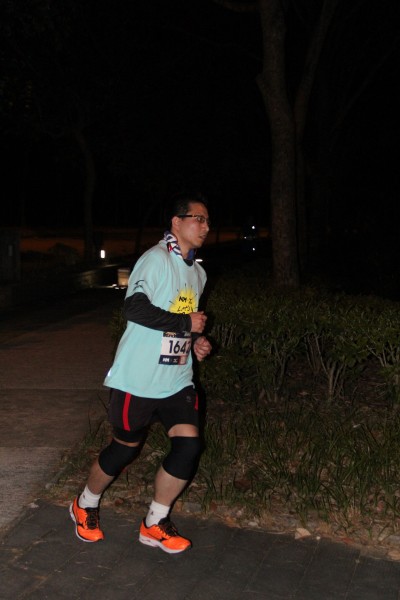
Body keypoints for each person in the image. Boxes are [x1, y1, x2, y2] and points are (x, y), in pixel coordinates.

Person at [69, 193, 212, 554]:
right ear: (176, 222)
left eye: (208, 221)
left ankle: (155, 522)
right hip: (138, 380)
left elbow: (182, 319)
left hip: (177, 379)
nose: (205, 226)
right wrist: (186, 323)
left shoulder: (198, 273)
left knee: (189, 445)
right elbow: (135, 308)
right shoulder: (155, 260)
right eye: (198, 218)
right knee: (124, 450)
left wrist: (196, 340)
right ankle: (84, 503)